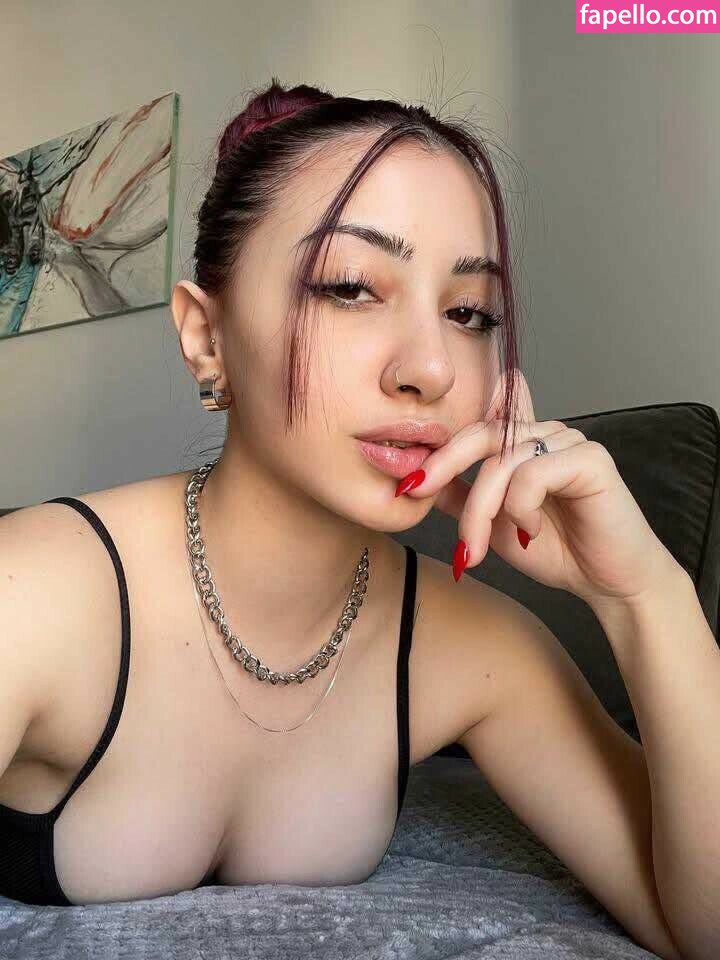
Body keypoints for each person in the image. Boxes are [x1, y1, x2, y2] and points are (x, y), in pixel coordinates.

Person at [0, 76, 688, 960]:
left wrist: (643, 595)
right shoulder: (34, 594)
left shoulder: (475, 648)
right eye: (352, 287)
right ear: (206, 338)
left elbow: (696, 923)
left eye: (469, 312)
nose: (431, 368)